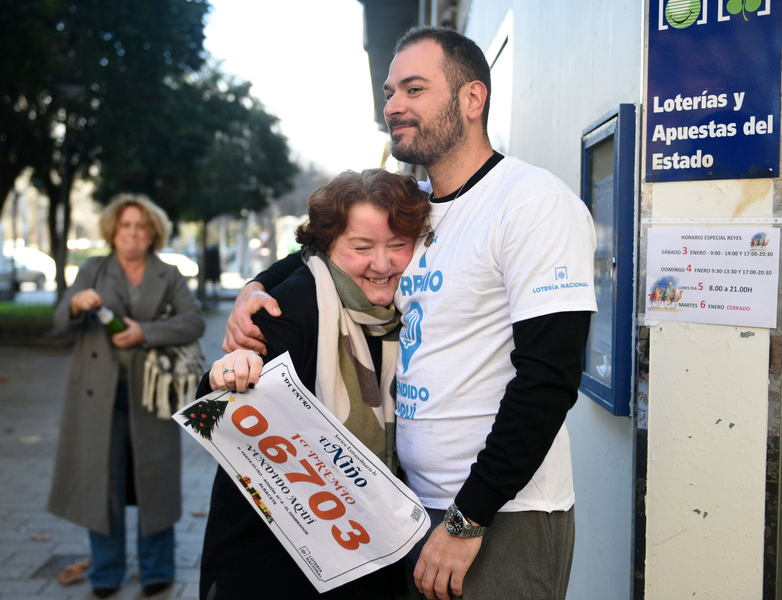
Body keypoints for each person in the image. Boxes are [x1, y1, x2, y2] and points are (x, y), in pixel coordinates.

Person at [223, 26, 597, 600]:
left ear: (472, 99)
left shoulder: (532, 203)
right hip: (413, 508)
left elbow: (549, 378)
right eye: (390, 91)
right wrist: (254, 287)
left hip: (502, 512)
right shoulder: (416, 212)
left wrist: (468, 518)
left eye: (414, 89)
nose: (394, 105)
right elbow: (323, 247)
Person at [196, 169, 430, 600]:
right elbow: (212, 405)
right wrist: (228, 372)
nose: (382, 264)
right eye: (361, 248)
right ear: (327, 247)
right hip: (270, 567)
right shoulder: (291, 304)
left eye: (398, 246)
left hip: (366, 559)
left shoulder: (408, 310)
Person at [49, 194, 205, 598]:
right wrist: (77, 303)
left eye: (141, 227)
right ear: (112, 232)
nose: (133, 234)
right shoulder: (93, 269)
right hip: (95, 397)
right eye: (125, 227)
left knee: (154, 481)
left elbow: (193, 321)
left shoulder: (167, 274)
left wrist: (145, 332)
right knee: (102, 482)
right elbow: (61, 318)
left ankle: (157, 568)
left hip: (151, 396)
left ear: (152, 232)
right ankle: (106, 571)